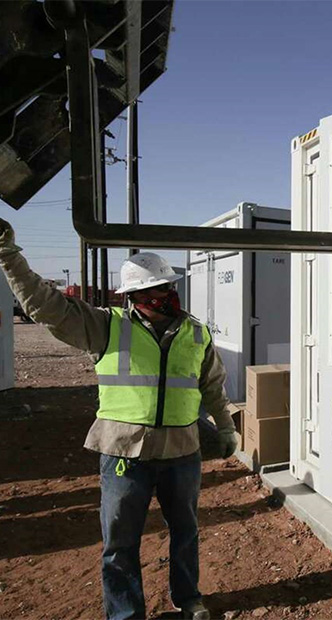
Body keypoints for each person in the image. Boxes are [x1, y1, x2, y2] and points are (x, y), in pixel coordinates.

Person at [0, 218, 237, 620]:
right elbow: (45, 305)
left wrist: (226, 425)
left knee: (186, 531)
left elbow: (212, 383)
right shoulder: (106, 326)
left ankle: (188, 597)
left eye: (165, 287)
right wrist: (8, 256)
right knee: (120, 542)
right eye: (152, 289)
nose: (162, 294)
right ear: (135, 295)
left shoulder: (195, 332)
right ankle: (126, 614)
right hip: (124, 453)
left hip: (182, 452)